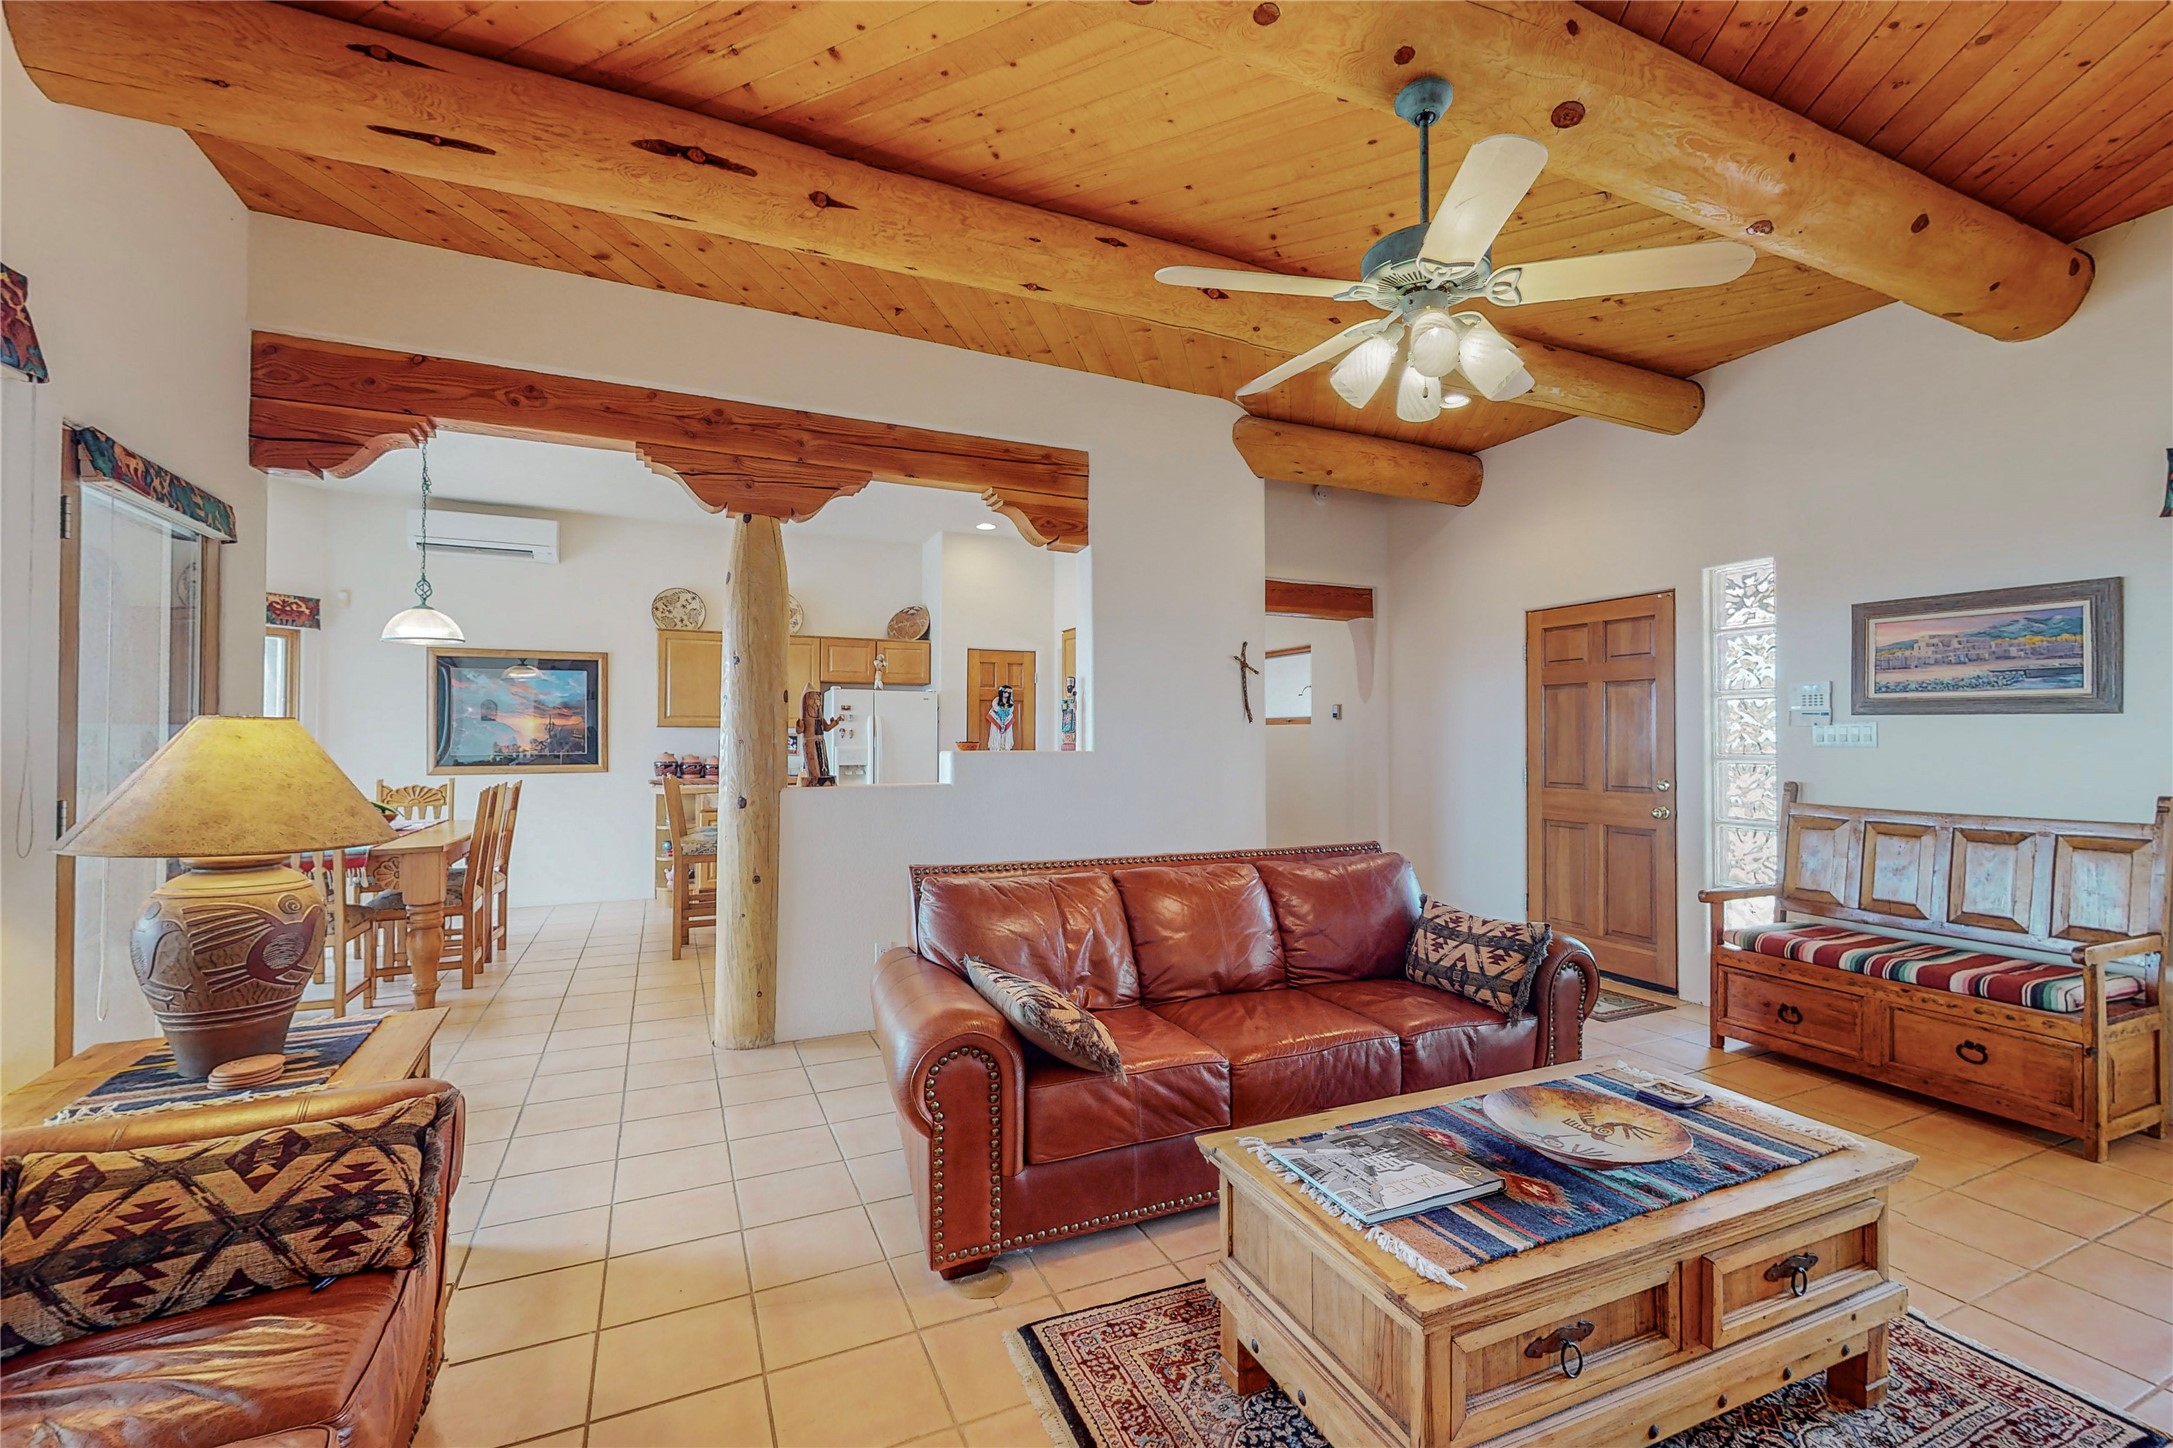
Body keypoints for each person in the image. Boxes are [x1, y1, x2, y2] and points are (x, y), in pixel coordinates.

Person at [799, 686, 843, 785]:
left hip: (821, 741)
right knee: (813, 762)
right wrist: (799, 725)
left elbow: (826, 728)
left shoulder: (821, 719)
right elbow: (800, 730)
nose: (815, 703)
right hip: (810, 743)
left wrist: (836, 721)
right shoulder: (805, 719)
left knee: (822, 761)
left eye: (818, 700)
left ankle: (823, 776)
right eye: (812, 700)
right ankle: (815, 777)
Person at [986, 684, 1017, 751]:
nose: (1006, 694)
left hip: (1006, 720)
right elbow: (996, 708)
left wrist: (1006, 712)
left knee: (1006, 735)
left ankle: (1005, 746)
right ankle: (996, 746)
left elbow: (1010, 711)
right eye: (1005, 692)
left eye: (1008, 693)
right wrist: (1000, 711)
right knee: (996, 734)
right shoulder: (996, 701)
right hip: (998, 720)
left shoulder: (1010, 704)